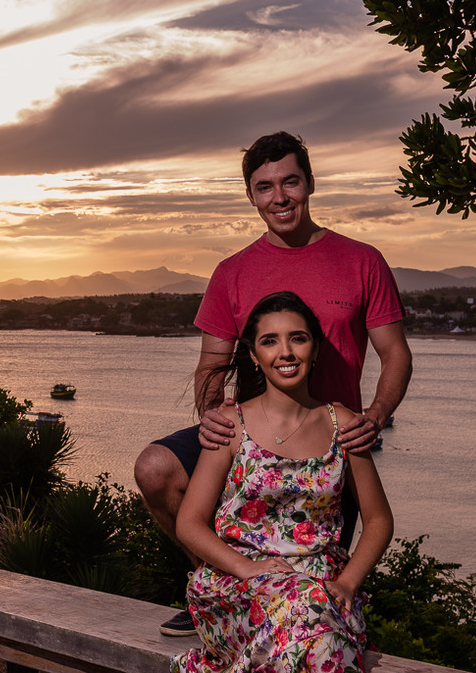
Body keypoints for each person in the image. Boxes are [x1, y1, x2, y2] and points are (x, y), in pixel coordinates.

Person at [135, 132, 411, 636]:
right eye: (265, 187)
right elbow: (211, 365)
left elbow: (395, 353)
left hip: (330, 440)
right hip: (253, 435)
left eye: (290, 182)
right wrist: (213, 415)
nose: (279, 197)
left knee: (313, 581)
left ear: (309, 183)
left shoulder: (362, 261)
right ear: (250, 195)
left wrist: (375, 415)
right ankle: (214, 581)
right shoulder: (232, 272)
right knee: (155, 467)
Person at [170, 290, 393, 673]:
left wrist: (348, 584)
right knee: (318, 634)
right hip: (239, 587)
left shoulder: (343, 424)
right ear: (255, 357)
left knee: (316, 630)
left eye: (298, 338)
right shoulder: (230, 425)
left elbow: (378, 520)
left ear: (316, 349)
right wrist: (245, 567)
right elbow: (189, 524)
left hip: (322, 589)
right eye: (269, 341)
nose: (285, 352)